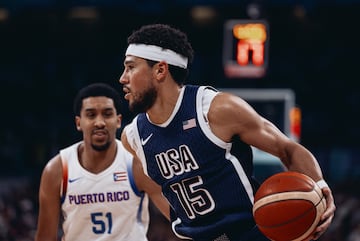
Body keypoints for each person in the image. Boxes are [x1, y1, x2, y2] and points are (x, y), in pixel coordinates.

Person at [118, 23, 336, 241]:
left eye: (131, 67)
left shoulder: (215, 109)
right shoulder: (133, 137)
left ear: (160, 70)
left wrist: (319, 185)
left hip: (251, 233)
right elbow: (157, 190)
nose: (123, 78)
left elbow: (287, 149)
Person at [35, 83, 170, 241]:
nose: (99, 122)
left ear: (118, 120)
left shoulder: (136, 163)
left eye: (107, 114)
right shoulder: (56, 170)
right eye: (91, 115)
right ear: (79, 122)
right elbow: (45, 237)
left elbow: (179, 218)